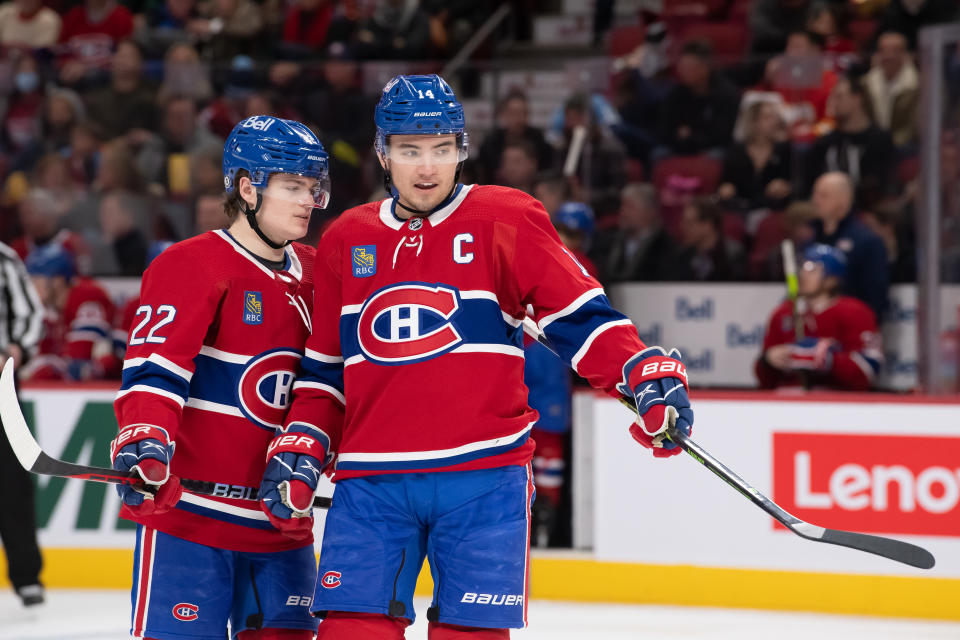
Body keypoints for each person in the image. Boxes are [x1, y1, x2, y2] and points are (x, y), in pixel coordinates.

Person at [259, 74, 694, 639]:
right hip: (371, 482)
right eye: (409, 150)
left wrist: (638, 371)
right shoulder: (346, 238)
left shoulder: (506, 219)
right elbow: (325, 371)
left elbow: (581, 318)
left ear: (461, 150)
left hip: (484, 478)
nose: (426, 168)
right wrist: (305, 438)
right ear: (382, 154)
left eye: (441, 150)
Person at [107, 116, 330, 640]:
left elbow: (329, 386)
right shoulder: (192, 265)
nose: (308, 200)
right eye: (293, 186)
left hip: (281, 524)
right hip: (192, 520)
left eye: (314, 187)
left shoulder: (323, 273)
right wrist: (145, 433)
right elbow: (154, 370)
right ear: (248, 187)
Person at [755, 243, 883, 390]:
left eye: (812, 269)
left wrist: (829, 360)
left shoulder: (856, 312)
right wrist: (768, 361)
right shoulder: (783, 313)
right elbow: (764, 380)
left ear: (832, 280)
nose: (803, 274)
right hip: (788, 404)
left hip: (837, 405)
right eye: (802, 267)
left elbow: (868, 371)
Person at [0, 240, 46, 608]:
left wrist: (15, 349)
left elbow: (31, 313)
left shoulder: (4, 257)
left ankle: (26, 575)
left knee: (11, 480)